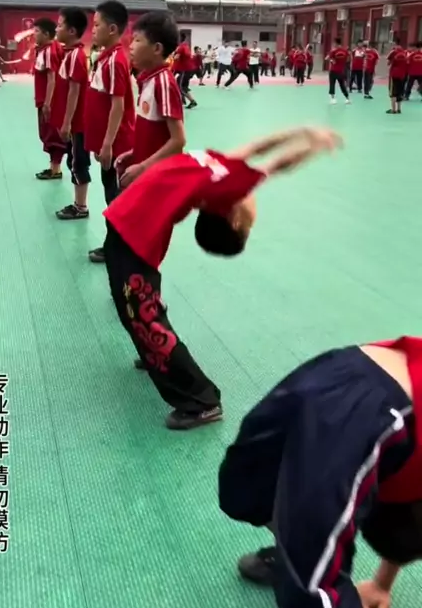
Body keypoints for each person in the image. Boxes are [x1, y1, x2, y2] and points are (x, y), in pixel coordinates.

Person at [104, 126, 341, 429]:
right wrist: (307, 137)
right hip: (129, 225)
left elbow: (266, 154)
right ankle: (153, 354)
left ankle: (202, 401)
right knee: (133, 311)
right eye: (250, 226)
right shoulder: (227, 180)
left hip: (134, 231)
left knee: (143, 317)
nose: (253, 205)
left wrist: (307, 139)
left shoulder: (222, 182)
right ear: (235, 217)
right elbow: (266, 153)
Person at [219, 336, 422, 608]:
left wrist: (380, 584)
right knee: (247, 488)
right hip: (363, 396)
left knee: (312, 588)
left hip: (350, 375)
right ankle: (303, 554)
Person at [83, 0, 135, 263]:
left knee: (116, 200)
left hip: (116, 147)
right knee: (111, 196)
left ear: (112, 29)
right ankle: (116, 245)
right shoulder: (104, 59)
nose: (92, 30)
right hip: (108, 145)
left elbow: (118, 105)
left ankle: (117, 247)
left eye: (97, 25)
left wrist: (107, 145)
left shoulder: (115, 61)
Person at [115, 11, 186, 192]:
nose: (131, 46)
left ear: (157, 49)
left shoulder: (163, 83)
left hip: (159, 177)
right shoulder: (148, 80)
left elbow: (178, 140)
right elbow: (154, 135)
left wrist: (143, 167)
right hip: (147, 174)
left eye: (137, 40)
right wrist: (134, 153)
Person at [48, 7, 90, 220]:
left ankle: (81, 206)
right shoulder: (69, 54)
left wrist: (67, 123)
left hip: (77, 124)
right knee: (74, 160)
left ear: (72, 31)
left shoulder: (75, 56)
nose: (56, 29)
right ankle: (78, 204)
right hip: (74, 123)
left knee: (78, 162)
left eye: (60, 25)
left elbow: (75, 91)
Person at [33, 18, 66, 180]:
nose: (34, 34)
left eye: (37, 31)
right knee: (47, 134)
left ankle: (56, 169)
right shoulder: (44, 49)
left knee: (53, 135)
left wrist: (48, 103)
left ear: (46, 34)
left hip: (50, 101)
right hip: (45, 100)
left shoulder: (50, 51)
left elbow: (52, 78)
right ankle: (53, 167)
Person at [172, 32, 197, 109]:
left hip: (184, 70)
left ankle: (192, 101)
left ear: (180, 38)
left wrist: (171, 56)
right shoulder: (185, 46)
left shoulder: (181, 47)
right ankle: (183, 100)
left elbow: (176, 57)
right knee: (181, 85)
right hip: (186, 69)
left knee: (180, 87)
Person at [386, 37, 408, 115]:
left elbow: (388, 63)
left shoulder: (393, 52)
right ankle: (399, 109)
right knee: (400, 91)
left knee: (393, 92)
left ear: (394, 43)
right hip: (402, 74)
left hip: (394, 74)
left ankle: (393, 109)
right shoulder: (405, 52)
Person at [327, 38, 351, 104]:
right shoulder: (345, 51)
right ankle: (347, 98)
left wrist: (332, 60)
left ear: (335, 43)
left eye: (334, 43)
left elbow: (328, 58)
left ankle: (333, 99)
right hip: (341, 71)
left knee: (332, 84)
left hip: (333, 70)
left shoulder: (333, 51)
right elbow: (348, 59)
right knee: (342, 85)